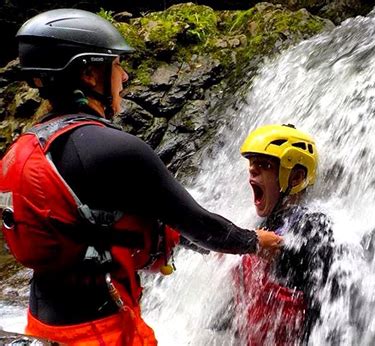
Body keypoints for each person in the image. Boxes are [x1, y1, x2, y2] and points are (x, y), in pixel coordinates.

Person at [0, 9, 281, 346]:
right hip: (100, 327)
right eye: (117, 64)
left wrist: (211, 250)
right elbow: (198, 224)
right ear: (90, 73)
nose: (126, 77)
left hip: (45, 320)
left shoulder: (27, 146)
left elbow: (109, 225)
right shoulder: (117, 149)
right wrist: (254, 242)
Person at [234, 124, 335, 345]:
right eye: (251, 164)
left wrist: (284, 253)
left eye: (264, 164)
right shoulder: (261, 223)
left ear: (296, 178)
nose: (252, 170)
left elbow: (322, 304)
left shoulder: (314, 226)